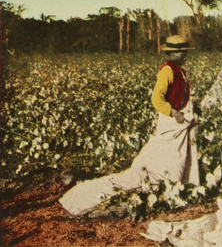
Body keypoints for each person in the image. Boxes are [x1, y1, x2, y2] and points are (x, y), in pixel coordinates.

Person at [59, 35, 199, 215]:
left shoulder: (179, 72)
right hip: (170, 125)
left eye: (185, 51)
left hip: (177, 127)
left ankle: (171, 188)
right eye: (181, 51)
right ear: (171, 53)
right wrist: (173, 112)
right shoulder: (167, 72)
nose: (185, 54)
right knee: (159, 170)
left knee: (173, 165)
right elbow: (156, 99)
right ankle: (83, 196)